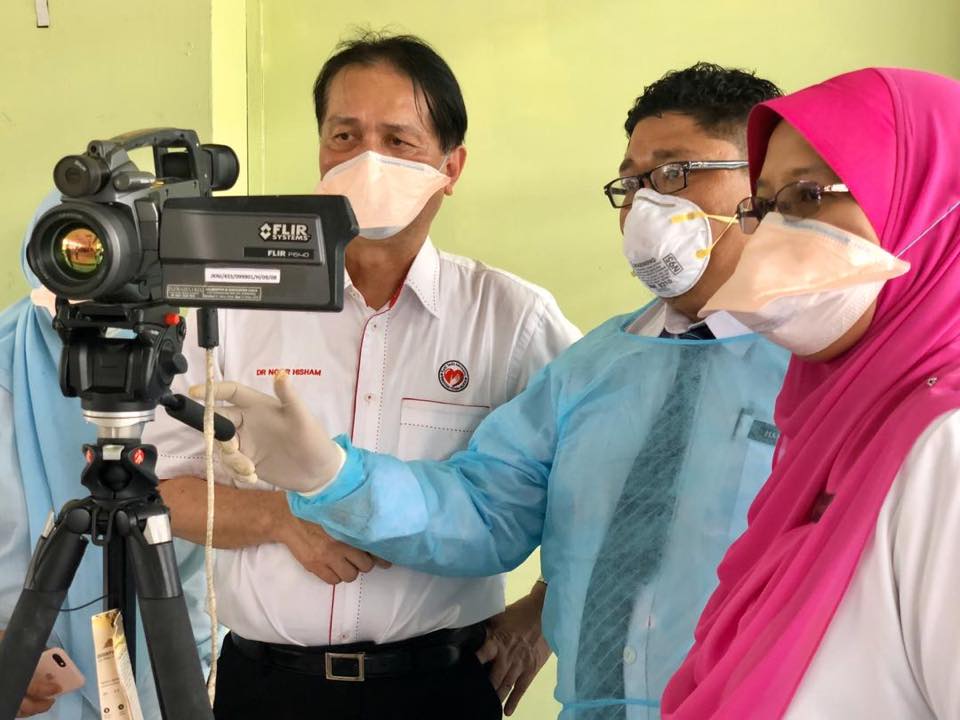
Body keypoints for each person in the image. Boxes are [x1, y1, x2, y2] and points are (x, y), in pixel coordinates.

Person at [198, 64, 790, 718]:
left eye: (675, 174)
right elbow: (485, 510)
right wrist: (335, 477)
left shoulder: (819, 369)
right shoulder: (597, 368)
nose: (647, 204)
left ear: (763, 184)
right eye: (633, 181)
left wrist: (534, 618)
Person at [146, 32, 581, 720]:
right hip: (265, 684)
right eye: (344, 135)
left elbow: (601, 489)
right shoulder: (236, 304)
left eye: (398, 141)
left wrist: (541, 615)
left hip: (438, 684)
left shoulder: (513, 320)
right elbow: (158, 488)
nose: (366, 160)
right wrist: (279, 517)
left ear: (451, 165)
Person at [658, 67, 960, 718]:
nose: (769, 239)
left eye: (806, 195)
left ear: (931, 206)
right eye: (762, 209)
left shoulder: (949, 447)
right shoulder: (833, 429)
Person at [0, 191, 214, 719]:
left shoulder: (211, 363)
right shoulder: (7, 365)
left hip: (182, 676)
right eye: (80, 250)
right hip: (34, 691)